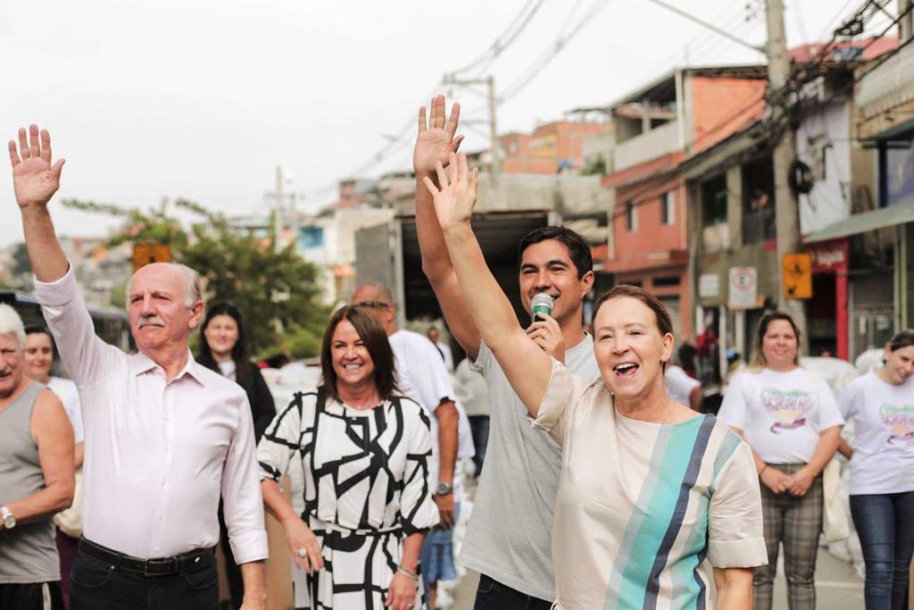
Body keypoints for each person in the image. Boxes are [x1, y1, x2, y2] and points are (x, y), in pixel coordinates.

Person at [423, 151, 767, 608]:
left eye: (634, 332)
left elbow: (735, 584)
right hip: (515, 581)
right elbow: (501, 331)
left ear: (666, 346)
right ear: (598, 351)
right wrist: (457, 229)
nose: (619, 345)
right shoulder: (579, 409)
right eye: (607, 336)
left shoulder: (720, 451)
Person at [9, 124, 268, 610]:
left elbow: (243, 504)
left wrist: (255, 592)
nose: (146, 307)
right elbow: (61, 301)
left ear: (194, 313)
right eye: (137, 299)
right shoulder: (100, 371)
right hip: (104, 581)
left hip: (191, 584)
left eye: (161, 297)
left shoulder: (227, 398)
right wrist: (35, 210)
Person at [414, 96, 600, 607]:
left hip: (586, 578)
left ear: (585, 282)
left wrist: (555, 366)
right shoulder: (500, 346)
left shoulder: (613, 361)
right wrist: (426, 180)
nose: (541, 281)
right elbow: (441, 270)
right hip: (505, 576)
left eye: (556, 269)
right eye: (528, 271)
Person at [257, 305, 438, 610]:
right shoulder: (305, 409)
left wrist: (407, 571)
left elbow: (418, 503)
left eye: (360, 344)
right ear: (329, 355)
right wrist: (291, 522)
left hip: (390, 565)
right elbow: (258, 471)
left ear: (378, 351)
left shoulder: (408, 416)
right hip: (322, 565)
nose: (349, 354)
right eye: (340, 346)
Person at [718, 312, 845, 610]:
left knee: (803, 574)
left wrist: (809, 472)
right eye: (773, 336)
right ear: (761, 341)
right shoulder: (745, 380)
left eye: (788, 336)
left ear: (797, 342)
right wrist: (763, 470)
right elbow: (730, 431)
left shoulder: (813, 381)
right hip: (757, 484)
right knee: (758, 574)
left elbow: (832, 430)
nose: (781, 342)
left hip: (807, 485)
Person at [350, 284, 464, 610]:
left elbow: (447, 413)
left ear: (388, 311)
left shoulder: (411, 346)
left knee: (418, 583)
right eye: (353, 310)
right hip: (385, 502)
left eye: (366, 307)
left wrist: (443, 485)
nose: (358, 316)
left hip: (424, 495)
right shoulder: (367, 355)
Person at [196, 302, 276, 609]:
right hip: (206, 470)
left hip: (241, 471)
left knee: (238, 541)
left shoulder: (250, 370)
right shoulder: (196, 368)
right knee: (203, 542)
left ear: (238, 333)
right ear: (205, 331)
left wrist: (244, 442)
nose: (222, 333)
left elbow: (268, 414)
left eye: (228, 328)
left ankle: (245, 600)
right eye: (216, 327)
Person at [0, 305, 75, 610]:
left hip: (25, 579)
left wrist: (4, 515)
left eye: (7, 351)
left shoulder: (44, 405)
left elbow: (62, 492)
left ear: (21, 349)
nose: (1, 364)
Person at [837, 330, 914, 609]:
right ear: (888, 351)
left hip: (910, 487)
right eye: (904, 358)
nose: (907, 368)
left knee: (900, 569)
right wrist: (854, 454)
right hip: (870, 489)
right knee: (880, 568)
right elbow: (830, 429)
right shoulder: (860, 387)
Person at [22, 325, 84, 609]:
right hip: (19, 506)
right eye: (31, 350)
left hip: (62, 510)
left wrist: (50, 474)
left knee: (65, 583)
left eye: (45, 350)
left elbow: (86, 444)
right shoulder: (9, 395)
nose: (39, 357)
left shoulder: (68, 391)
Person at [455, 357, 490, 476]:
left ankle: (482, 474)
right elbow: (456, 386)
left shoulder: (490, 362)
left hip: (486, 411)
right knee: (470, 445)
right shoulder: (463, 365)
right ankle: (472, 472)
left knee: (483, 446)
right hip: (468, 413)